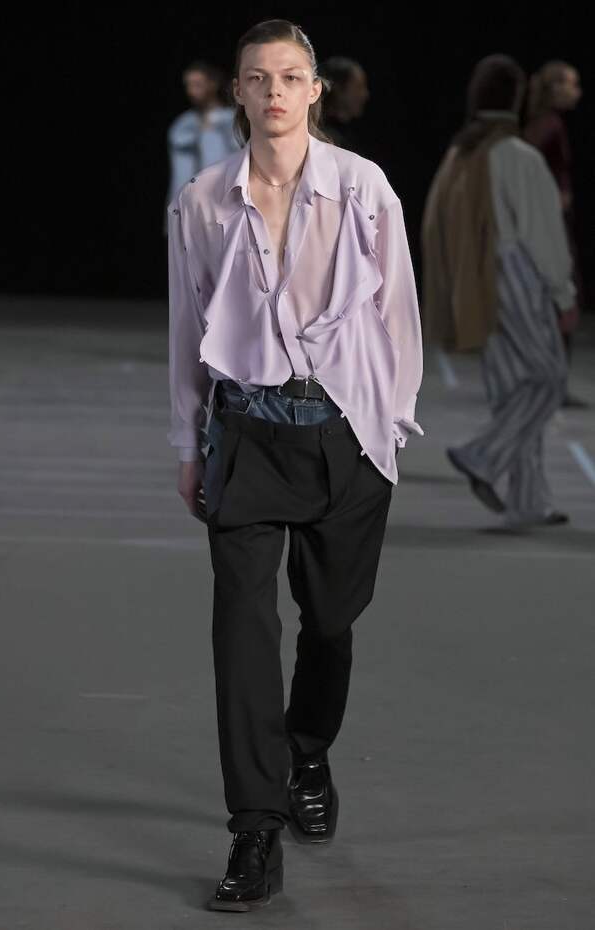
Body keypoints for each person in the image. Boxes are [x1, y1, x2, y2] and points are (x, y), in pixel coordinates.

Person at [166, 18, 423, 911]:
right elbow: (186, 331)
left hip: (345, 435)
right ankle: (254, 829)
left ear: (315, 91)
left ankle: (307, 750)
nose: (273, 89)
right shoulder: (203, 201)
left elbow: (398, 317)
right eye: (256, 76)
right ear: (237, 92)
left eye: (289, 76)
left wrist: (389, 433)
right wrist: (187, 444)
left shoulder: (363, 187)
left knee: (330, 620)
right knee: (241, 631)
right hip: (244, 434)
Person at [421, 54, 575, 528]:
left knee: (513, 392)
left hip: (473, 279)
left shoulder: (461, 152)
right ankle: (483, 454)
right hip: (515, 274)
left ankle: (528, 501)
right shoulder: (516, 156)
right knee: (548, 379)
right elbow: (543, 233)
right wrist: (563, 292)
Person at [524, 60, 587, 408]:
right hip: (550, 229)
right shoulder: (550, 127)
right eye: (571, 84)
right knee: (561, 303)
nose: (577, 92)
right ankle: (552, 385)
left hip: (539, 228)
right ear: (554, 88)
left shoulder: (538, 126)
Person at [164, 60, 239, 233]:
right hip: (186, 210)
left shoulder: (231, 120)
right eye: (188, 85)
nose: (191, 91)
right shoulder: (183, 124)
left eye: (197, 84)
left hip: (223, 208)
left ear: (212, 84)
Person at [318, 56, 370, 153]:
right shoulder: (321, 137)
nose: (365, 94)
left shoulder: (350, 137)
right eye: (358, 87)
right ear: (337, 87)